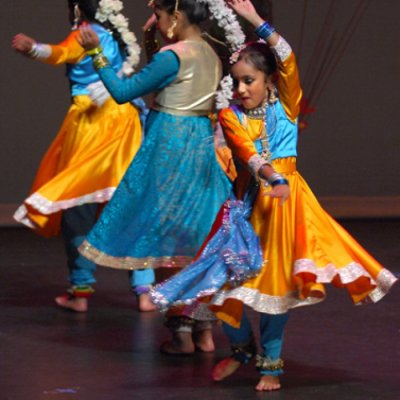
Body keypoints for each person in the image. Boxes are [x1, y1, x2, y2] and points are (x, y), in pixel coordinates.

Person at [150, 0, 398, 391]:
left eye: (249, 80)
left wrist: (254, 20)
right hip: (247, 208)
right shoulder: (231, 115)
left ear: (268, 80)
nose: (241, 88)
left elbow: (287, 57)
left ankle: (270, 366)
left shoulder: (287, 106)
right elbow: (246, 154)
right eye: (236, 81)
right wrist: (269, 176)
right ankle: (243, 347)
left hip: (286, 208)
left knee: (276, 288)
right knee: (220, 284)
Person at [77, 0, 232, 345]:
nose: (158, 23)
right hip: (200, 143)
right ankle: (204, 329)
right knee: (195, 235)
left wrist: (96, 53)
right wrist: (150, 38)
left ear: (175, 17)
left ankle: (181, 335)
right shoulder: (208, 53)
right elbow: (165, 76)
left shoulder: (172, 57)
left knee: (167, 235)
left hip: (170, 146)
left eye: (160, 17)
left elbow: (121, 92)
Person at [12, 0, 146, 312]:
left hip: (92, 125)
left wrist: (33, 48)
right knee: (127, 206)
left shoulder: (85, 34)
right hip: (126, 122)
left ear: (77, 11)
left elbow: (60, 53)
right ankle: (144, 289)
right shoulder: (118, 39)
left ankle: (81, 288)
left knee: (77, 205)